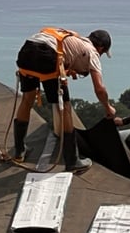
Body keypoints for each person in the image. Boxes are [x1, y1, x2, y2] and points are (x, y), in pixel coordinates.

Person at [13, 27, 116, 173]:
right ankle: (72, 162)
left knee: (27, 100)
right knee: (65, 108)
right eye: (103, 53)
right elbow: (99, 88)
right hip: (48, 55)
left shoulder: (74, 40)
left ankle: (19, 152)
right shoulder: (92, 52)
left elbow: (65, 55)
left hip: (27, 50)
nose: (100, 55)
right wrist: (108, 107)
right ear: (100, 47)